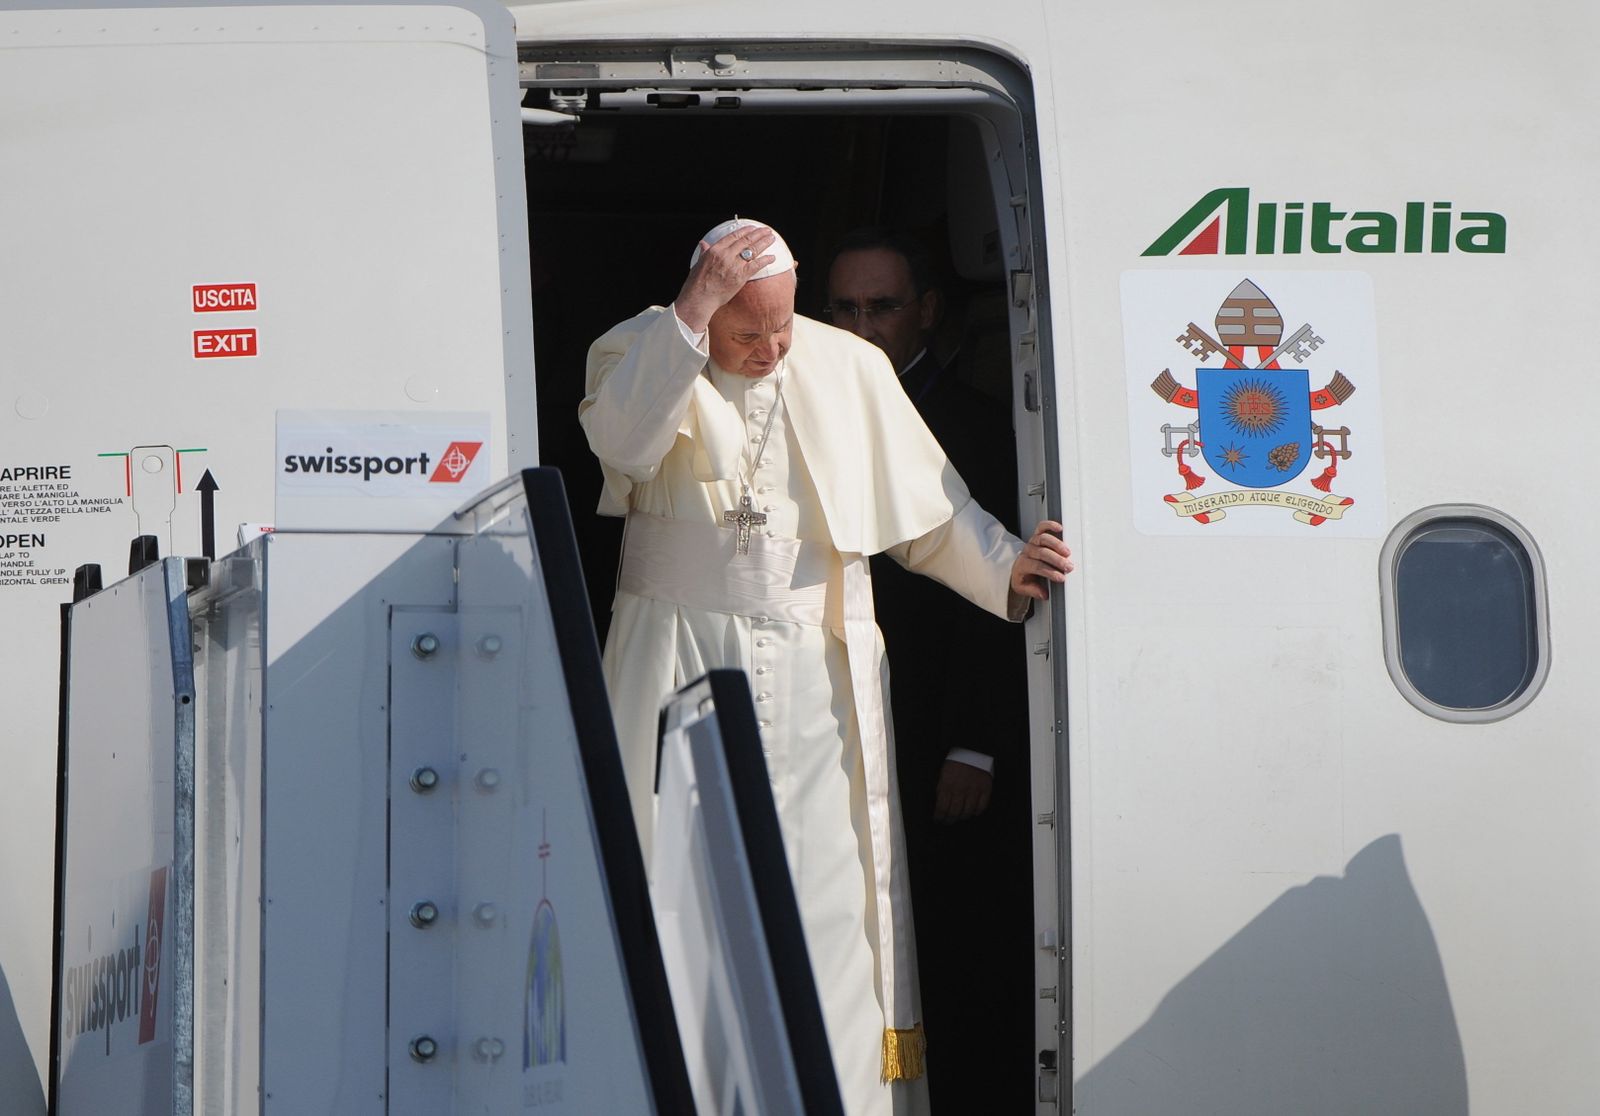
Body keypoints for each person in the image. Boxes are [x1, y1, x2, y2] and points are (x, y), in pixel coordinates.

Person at [579, 218, 1073, 1116]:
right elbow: (623, 444)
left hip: (820, 672)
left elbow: (926, 512)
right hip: (674, 662)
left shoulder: (847, 365)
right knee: (669, 894)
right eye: (744, 332)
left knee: (830, 901)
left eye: (781, 328)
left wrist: (1005, 564)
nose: (770, 349)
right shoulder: (640, 348)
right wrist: (689, 323)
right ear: (704, 304)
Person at [827, 229, 1035, 1112]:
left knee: (947, 948)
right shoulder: (809, 411)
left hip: (938, 738)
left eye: (881, 307)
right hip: (838, 729)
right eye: (844, 308)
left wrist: (977, 745)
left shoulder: (983, 428)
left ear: (926, 312)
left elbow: (1001, 596)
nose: (862, 325)